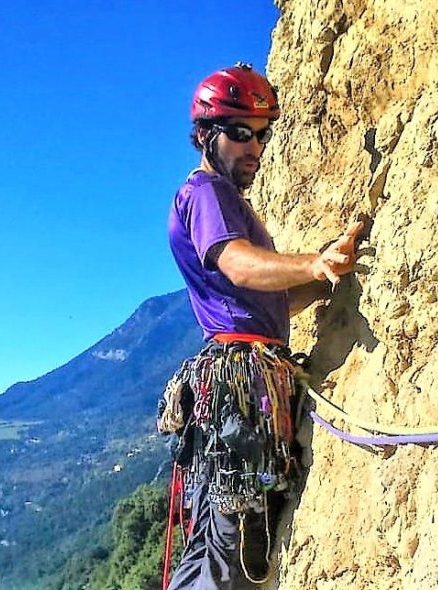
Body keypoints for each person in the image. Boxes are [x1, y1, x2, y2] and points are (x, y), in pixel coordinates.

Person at [161, 62, 362, 590]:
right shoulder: (209, 194)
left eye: (262, 134)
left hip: (236, 387)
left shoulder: (216, 198)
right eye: (240, 133)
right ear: (205, 135)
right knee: (237, 554)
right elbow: (239, 265)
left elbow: (265, 301)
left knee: (216, 543)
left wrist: (325, 280)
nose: (254, 147)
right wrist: (315, 263)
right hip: (242, 388)